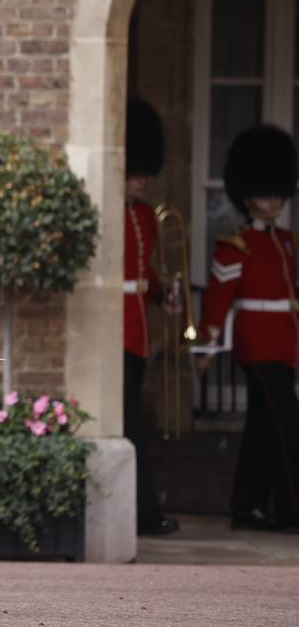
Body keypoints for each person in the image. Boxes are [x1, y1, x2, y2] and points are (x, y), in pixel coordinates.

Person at [199, 124, 299, 532]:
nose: (272, 202)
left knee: (262, 426)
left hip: (284, 343)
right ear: (247, 197)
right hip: (257, 345)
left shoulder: (288, 242)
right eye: (264, 194)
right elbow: (219, 300)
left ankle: (247, 507)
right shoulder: (235, 245)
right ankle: (290, 509)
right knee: (287, 425)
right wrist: (206, 347)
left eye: (277, 194)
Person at [122, 98, 180, 536]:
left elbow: (145, 273)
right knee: (133, 423)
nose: (140, 181)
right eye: (134, 172)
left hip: (139, 329)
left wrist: (163, 294)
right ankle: (142, 509)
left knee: (137, 419)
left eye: (144, 173)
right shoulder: (118, 214)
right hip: (118, 331)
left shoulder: (146, 217)